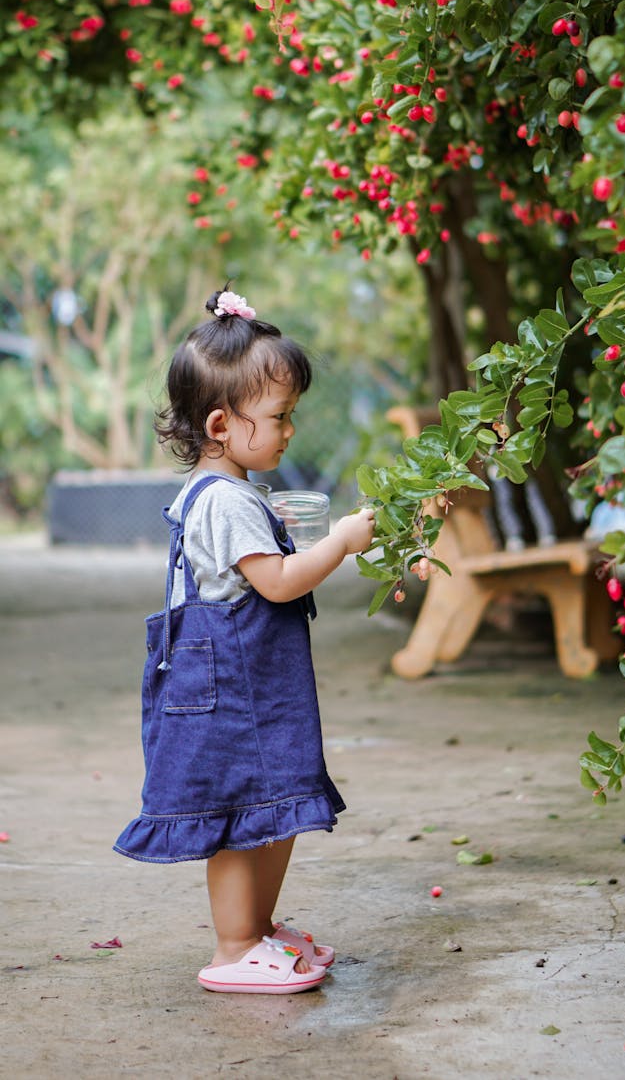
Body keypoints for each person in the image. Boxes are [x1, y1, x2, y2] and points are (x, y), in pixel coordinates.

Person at [114, 288, 375, 994]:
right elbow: (280, 583)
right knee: (236, 814)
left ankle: (256, 929)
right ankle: (234, 948)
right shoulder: (226, 500)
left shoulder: (232, 490)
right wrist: (345, 540)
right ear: (223, 424)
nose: (290, 430)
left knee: (276, 803)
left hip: (255, 686)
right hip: (230, 691)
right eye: (280, 417)